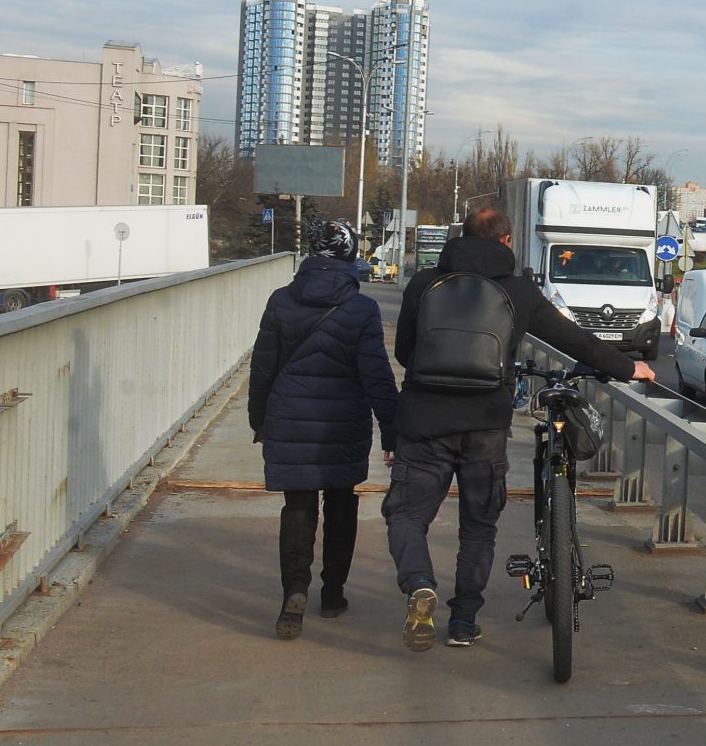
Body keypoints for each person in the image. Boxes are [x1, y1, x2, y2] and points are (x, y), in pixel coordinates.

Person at [386, 205, 656, 652]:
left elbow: (404, 353)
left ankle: (418, 582)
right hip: (485, 424)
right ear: (507, 242)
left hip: (422, 420)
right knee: (478, 525)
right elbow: (574, 340)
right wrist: (629, 367)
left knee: (407, 515)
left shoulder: (424, 283)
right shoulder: (518, 291)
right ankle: (463, 621)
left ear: (461, 236)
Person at [248, 219, 399, 640]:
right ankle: (332, 594)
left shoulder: (280, 301)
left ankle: (293, 592)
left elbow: (263, 368)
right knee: (340, 504)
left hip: (289, 417)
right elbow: (377, 375)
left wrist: (259, 420)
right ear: (351, 255)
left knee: (298, 508)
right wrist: (392, 430)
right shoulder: (361, 309)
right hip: (342, 422)